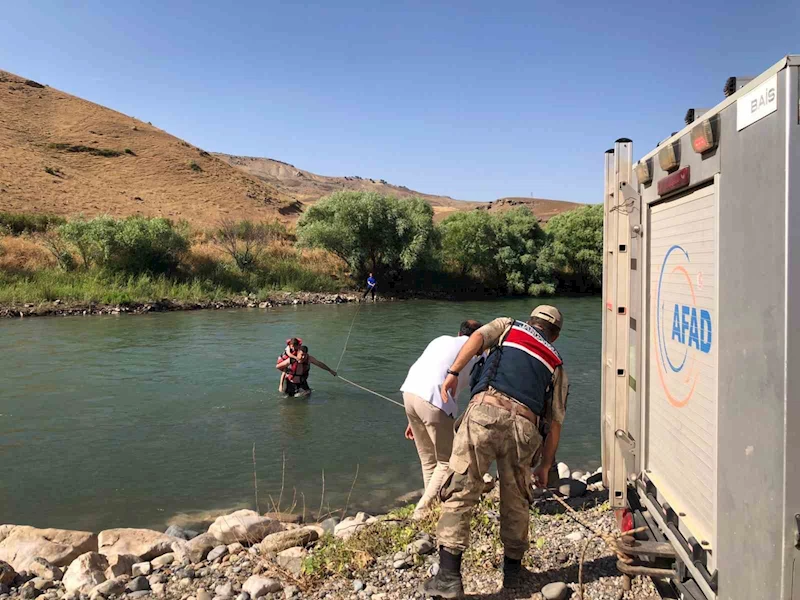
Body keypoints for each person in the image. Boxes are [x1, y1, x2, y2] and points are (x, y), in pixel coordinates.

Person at [421, 305, 569, 597]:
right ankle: (513, 574)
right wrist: (545, 465)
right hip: (525, 429)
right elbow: (554, 423)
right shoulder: (556, 363)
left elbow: (477, 337)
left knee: (461, 488)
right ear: (555, 336)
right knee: (517, 500)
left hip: (486, 413)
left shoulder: (508, 326)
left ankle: (449, 576)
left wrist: (453, 372)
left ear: (532, 321)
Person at [400, 319, 483, 520]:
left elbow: (429, 368)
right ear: (479, 338)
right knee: (446, 461)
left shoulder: (440, 340)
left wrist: (414, 419)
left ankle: (431, 505)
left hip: (410, 393)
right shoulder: (476, 354)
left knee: (428, 460)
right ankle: (421, 511)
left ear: (458, 332)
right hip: (435, 400)